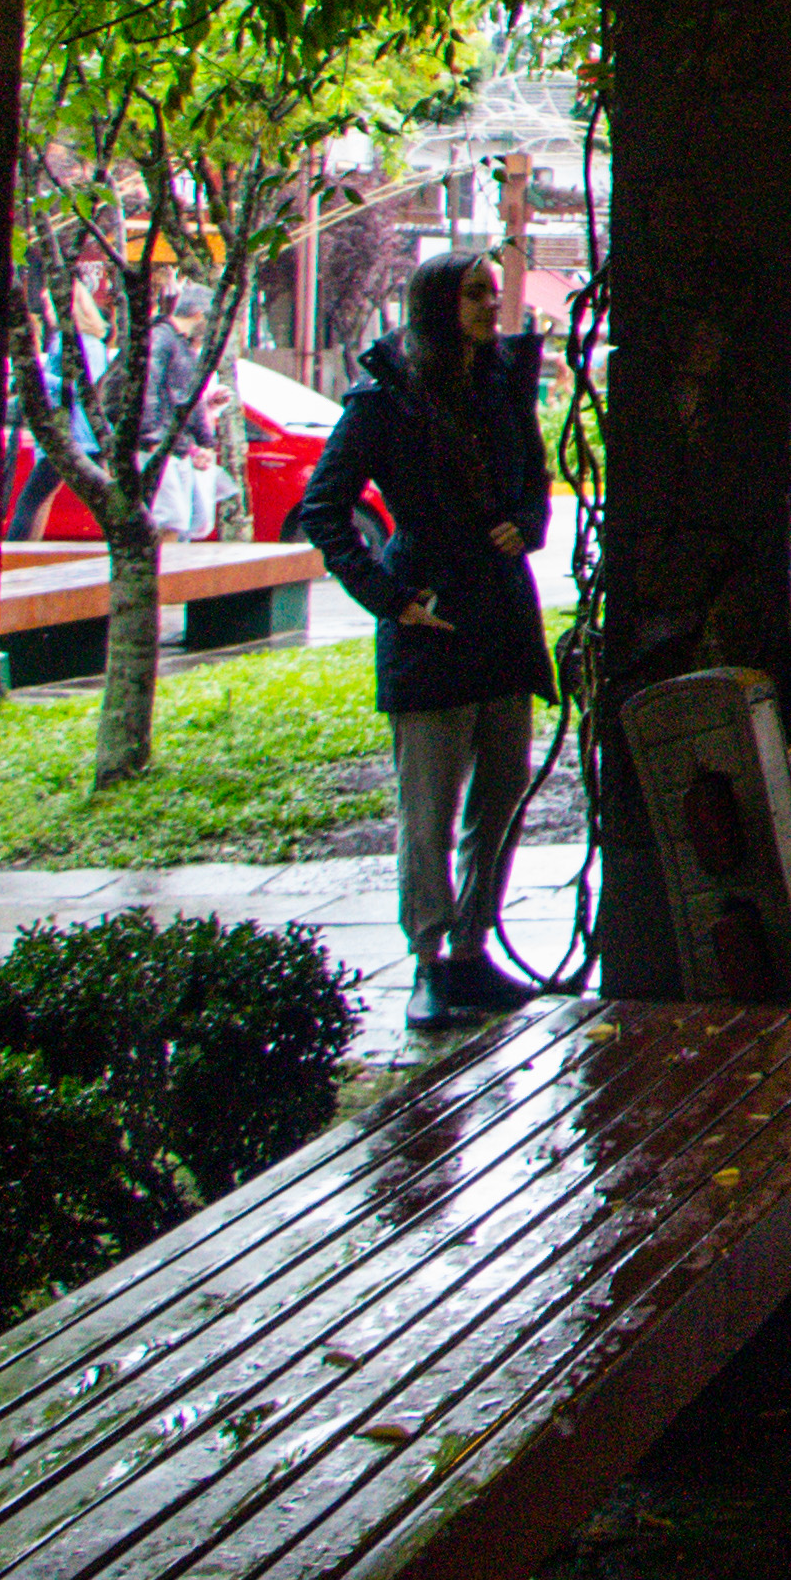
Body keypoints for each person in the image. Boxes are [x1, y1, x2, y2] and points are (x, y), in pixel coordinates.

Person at [297, 253, 557, 1032]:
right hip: (433, 622)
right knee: (430, 807)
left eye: (491, 292)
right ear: (440, 304)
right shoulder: (386, 398)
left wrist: (528, 523)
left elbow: (537, 477)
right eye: (475, 293)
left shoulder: (503, 385)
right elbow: (324, 509)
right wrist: (390, 599)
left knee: (502, 798)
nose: (490, 305)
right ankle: (431, 959)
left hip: (502, 614)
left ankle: (475, 948)